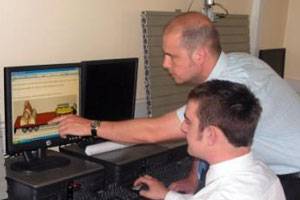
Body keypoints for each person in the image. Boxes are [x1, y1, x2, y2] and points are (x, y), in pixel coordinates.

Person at [51, 12, 300, 199]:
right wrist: (192, 178)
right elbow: (207, 136)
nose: (165, 64)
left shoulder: (232, 85)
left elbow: (153, 132)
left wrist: (90, 126)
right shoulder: (238, 64)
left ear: (199, 55)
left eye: (172, 56)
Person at [134, 79, 285, 200]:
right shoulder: (264, 173)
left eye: (189, 122)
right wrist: (167, 195)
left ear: (211, 135)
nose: (183, 128)